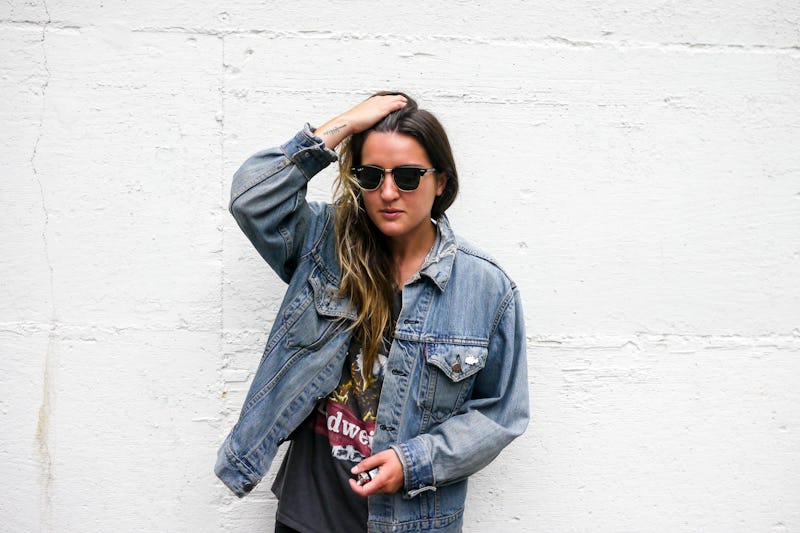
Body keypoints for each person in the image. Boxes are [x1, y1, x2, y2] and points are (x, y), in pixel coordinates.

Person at [215, 92, 529, 533]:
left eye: (407, 176)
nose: (387, 192)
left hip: (411, 520)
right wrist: (345, 123)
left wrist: (413, 461)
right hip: (306, 516)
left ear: (441, 182)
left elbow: (501, 413)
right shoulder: (326, 245)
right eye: (369, 175)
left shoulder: (486, 289)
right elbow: (253, 200)